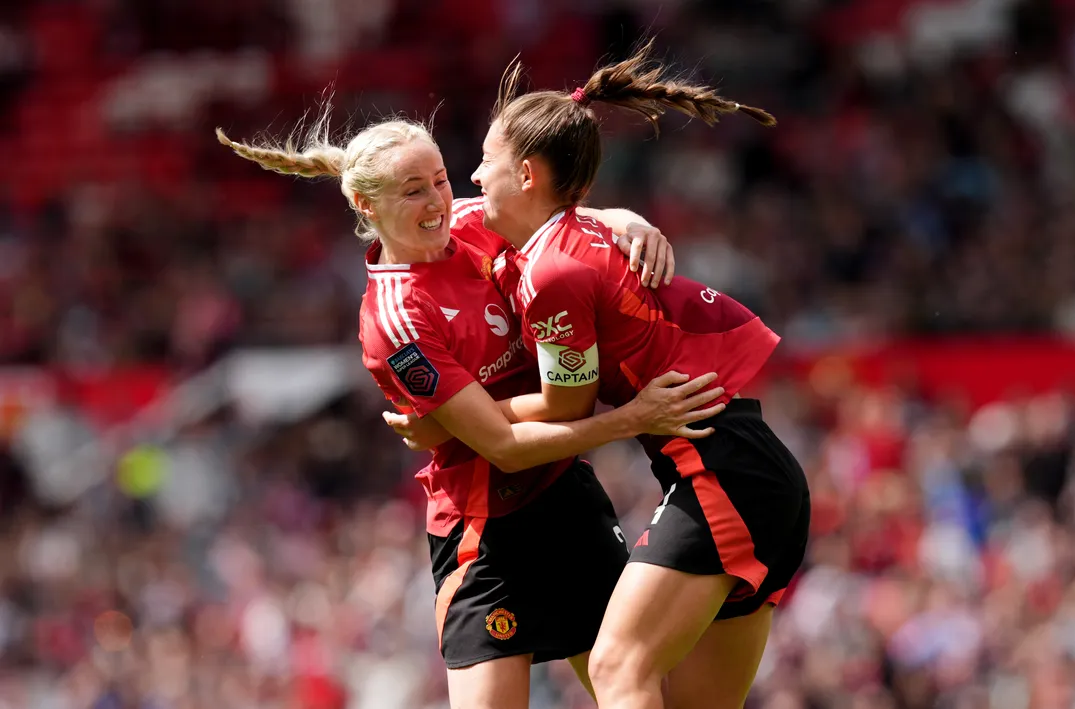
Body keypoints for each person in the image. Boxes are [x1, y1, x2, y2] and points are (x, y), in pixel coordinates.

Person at [214, 113, 724, 709]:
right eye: (413, 191)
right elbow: (501, 448)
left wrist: (629, 221)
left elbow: (563, 218)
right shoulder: (395, 319)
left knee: (639, 689)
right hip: (485, 532)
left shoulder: (471, 222)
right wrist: (634, 418)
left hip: (564, 496)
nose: (436, 202)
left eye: (439, 180)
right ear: (363, 203)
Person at [463, 41, 811, 709]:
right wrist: (618, 213)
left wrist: (466, 413)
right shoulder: (579, 237)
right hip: (755, 471)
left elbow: (569, 408)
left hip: (721, 473)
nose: (475, 177)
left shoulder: (551, 273)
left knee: (619, 672)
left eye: (486, 161)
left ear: (529, 174)